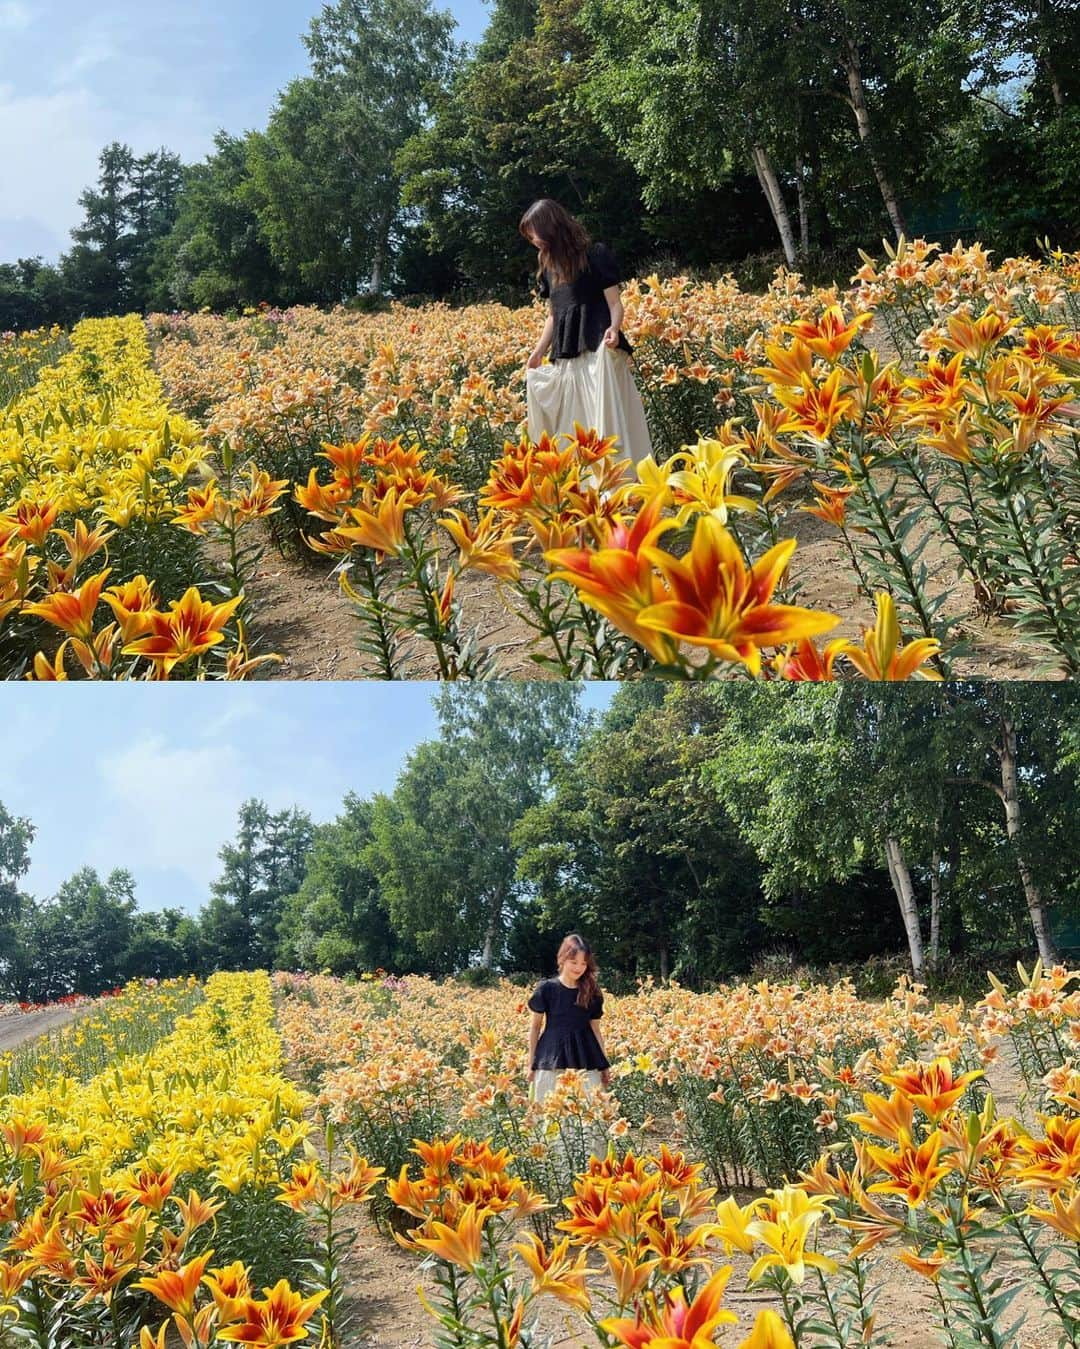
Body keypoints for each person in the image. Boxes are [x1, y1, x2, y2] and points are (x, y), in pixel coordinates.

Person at [520, 199, 653, 467]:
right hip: (567, 351)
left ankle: (622, 479)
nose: (532, 240)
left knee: (606, 416)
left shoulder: (594, 254)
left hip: (599, 347)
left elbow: (615, 303)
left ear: (550, 227)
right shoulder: (547, 267)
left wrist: (614, 329)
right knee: (577, 421)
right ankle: (588, 485)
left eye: (533, 232)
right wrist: (537, 353)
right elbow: (553, 316)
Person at [526, 933, 611, 1103]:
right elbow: (535, 1027)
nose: (579, 968)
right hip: (550, 1057)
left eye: (583, 963)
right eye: (574, 962)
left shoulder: (592, 993)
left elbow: (595, 1030)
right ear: (562, 960)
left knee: (588, 1114)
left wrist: (604, 1064)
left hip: (587, 1057)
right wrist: (530, 1064)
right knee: (550, 1113)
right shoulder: (546, 989)